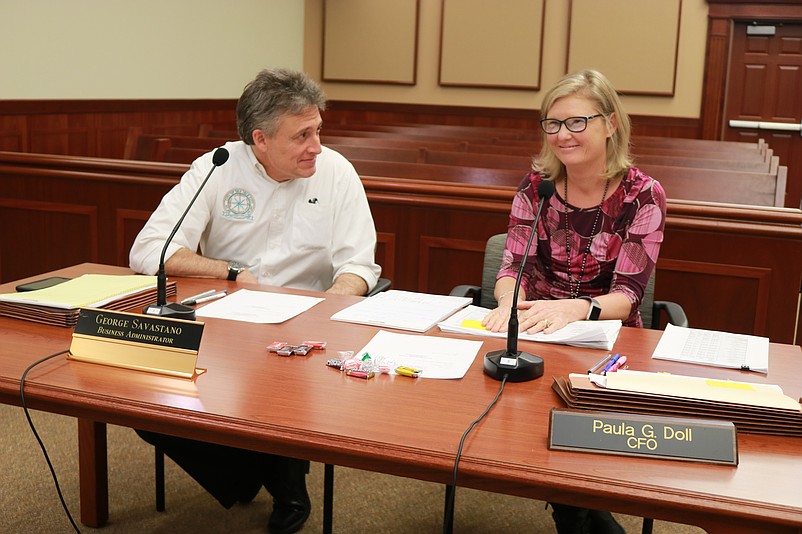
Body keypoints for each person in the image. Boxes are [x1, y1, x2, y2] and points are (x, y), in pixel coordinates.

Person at [129, 67, 382, 534]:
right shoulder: (217, 167)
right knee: (148, 407)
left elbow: (359, 267)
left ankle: (287, 487)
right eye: (302, 135)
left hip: (306, 327)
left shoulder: (336, 172)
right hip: (225, 325)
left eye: (318, 130)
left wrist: (326, 308)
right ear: (260, 140)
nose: (317, 146)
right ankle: (251, 471)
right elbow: (148, 251)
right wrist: (228, 272)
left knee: (281, 388)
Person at [483, 69, 666, 533]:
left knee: (578, 433)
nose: (563, 135)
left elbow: (627, 295)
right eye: (553, 123)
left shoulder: (641, 195)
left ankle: (580, 508)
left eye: (578, 122)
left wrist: (575, 308)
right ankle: (580, 509)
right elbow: (513, 266)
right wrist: (506, 303)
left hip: (609, 341)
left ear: (611, 124)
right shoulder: (536, 186)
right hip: (537, 332)